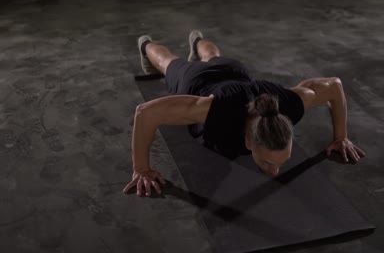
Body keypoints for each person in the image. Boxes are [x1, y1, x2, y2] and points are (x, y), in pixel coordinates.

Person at [123, 30, 366, 197]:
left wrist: (340, 136)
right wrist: (141, 169)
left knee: (214, 57)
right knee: (168, 62)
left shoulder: (290, 104)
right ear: (248, 139)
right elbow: (146, 113)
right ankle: (145, 44)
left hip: (235, 72)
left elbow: (334, 85)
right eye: (269, 162)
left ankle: (198, 41)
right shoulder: (213, 110)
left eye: (280, 161)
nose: (275, 172)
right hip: (197, 80)